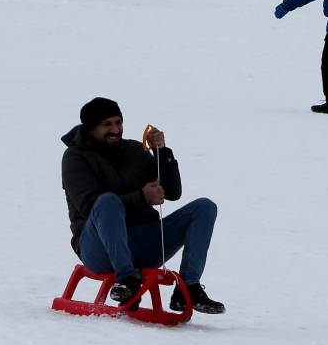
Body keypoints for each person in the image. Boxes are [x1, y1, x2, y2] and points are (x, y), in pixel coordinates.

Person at [60, 97, 224, 314]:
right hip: (99, 248)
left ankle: (188, 288)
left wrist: (161, 152)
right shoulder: (75, 158)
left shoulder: (134, 151)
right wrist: (141, 198)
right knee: (106, 201)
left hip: (143, 242)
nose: (115, 129)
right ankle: (127, 279)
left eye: (118, 123)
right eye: (106, 124)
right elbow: (89, 207)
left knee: (204, 207)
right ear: (90, 129)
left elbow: (173, 192)